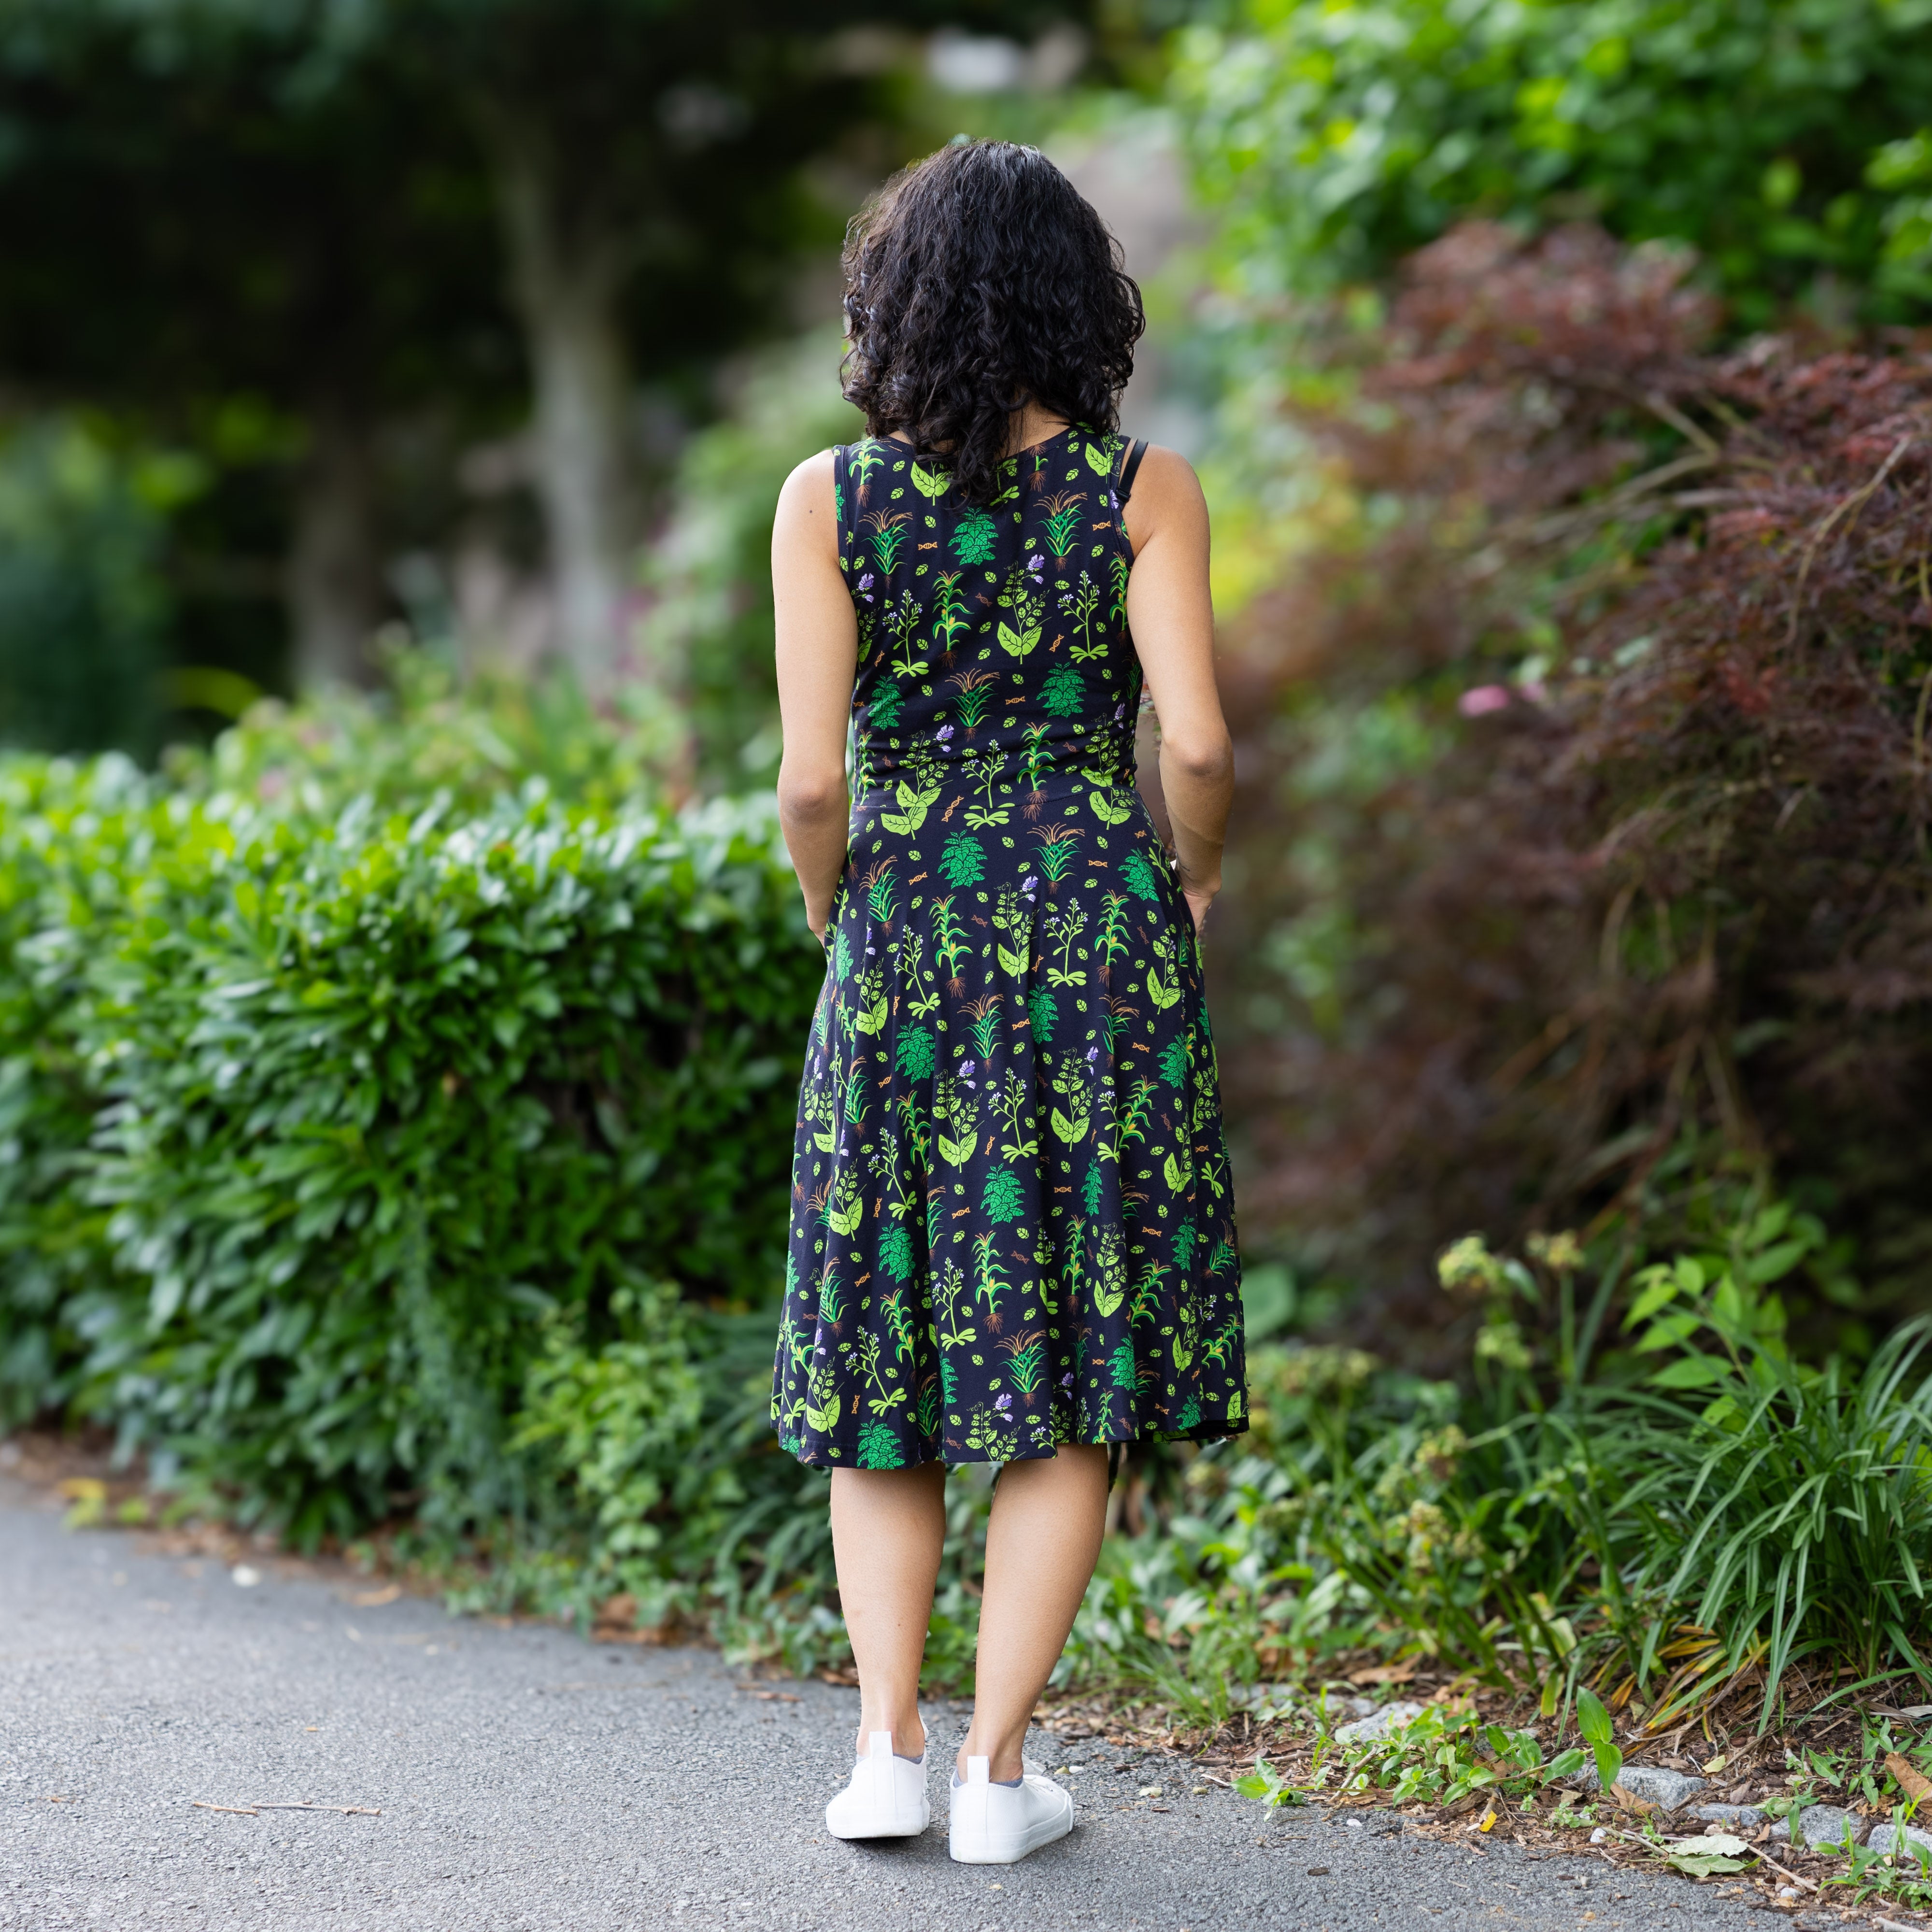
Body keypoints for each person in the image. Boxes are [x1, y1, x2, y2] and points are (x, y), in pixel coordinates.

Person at [767, 137, 1246, 1867]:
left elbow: (807, 783)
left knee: (885, 1341)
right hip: (1097, 935)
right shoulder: (1145, 489)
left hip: (904, 935)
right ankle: (994, 1775)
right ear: (1075, 300)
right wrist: (1194, 882)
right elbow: (1199, 745)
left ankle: (885, 1755)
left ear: (895, 304)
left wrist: (832, 910)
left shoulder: (827, 500)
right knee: (1078, 1348)